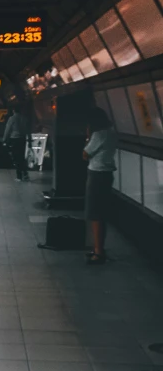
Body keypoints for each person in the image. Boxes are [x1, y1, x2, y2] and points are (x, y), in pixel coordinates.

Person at [83, 107, 117, 265]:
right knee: (101, 213)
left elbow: (85, 154)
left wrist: (88, 137)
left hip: (97, 174)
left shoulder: (99, 134)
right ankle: (99, 247)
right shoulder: (111, 132)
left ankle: (98, 251)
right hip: (107, 174)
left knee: (94, 212)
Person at [3, 103, 30, 181]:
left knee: (16, 157)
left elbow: (8, 129)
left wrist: (4, 139)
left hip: (14, 139)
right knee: (21, 157)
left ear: (13, 110)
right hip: (23, 139)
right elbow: (28, 130)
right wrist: (30, 140)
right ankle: (25, 173)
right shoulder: (24, 118)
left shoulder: (12, 118)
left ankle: (19, 176)